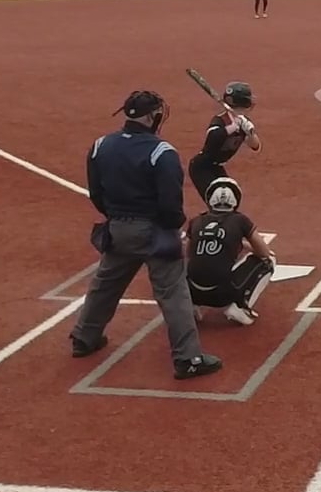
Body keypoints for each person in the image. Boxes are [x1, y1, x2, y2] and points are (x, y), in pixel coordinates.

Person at [71, 89, 222, 379]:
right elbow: (170, 204)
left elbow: (96, 193)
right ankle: (188, 358)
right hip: (154, 231)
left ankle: (84, 337)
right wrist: (171, 226)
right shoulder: (161, 152)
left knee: (105, 283)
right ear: (153, 116)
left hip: (117, 228)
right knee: (173, 292)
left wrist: (117, 217)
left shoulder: (101, 145)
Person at [185, 177, 277, 326]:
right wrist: (241, 244)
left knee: (189, 264)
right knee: (269, 261)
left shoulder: (196, 221)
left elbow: (189, 253)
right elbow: (264, 252)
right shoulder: (240, 220)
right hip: (222, 295)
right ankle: (240, 308)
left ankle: (189, 304)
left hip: (192, 291)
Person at [188, 81, 259, 199]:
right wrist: (231, 128)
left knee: (230, 198)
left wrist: (250, 132)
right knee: (217, 200)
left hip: (217, 168)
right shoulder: (221, 120)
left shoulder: (243, 122)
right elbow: (212, 138)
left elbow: (255, 146)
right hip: (202, 168)